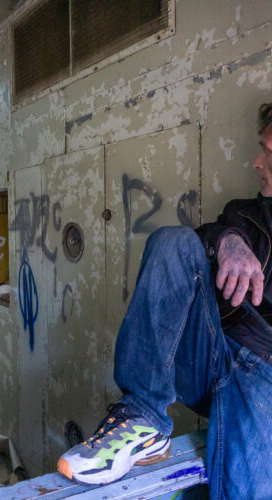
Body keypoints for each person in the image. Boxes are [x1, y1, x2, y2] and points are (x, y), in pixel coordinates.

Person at [57, 103, 272, 499]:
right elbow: (202, 236)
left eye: (268, 153)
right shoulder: (246, 213)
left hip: (265, 378)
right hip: (212, 353)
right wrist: (228, 241)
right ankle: (144, 419)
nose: (257, 162)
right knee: (171, 242)